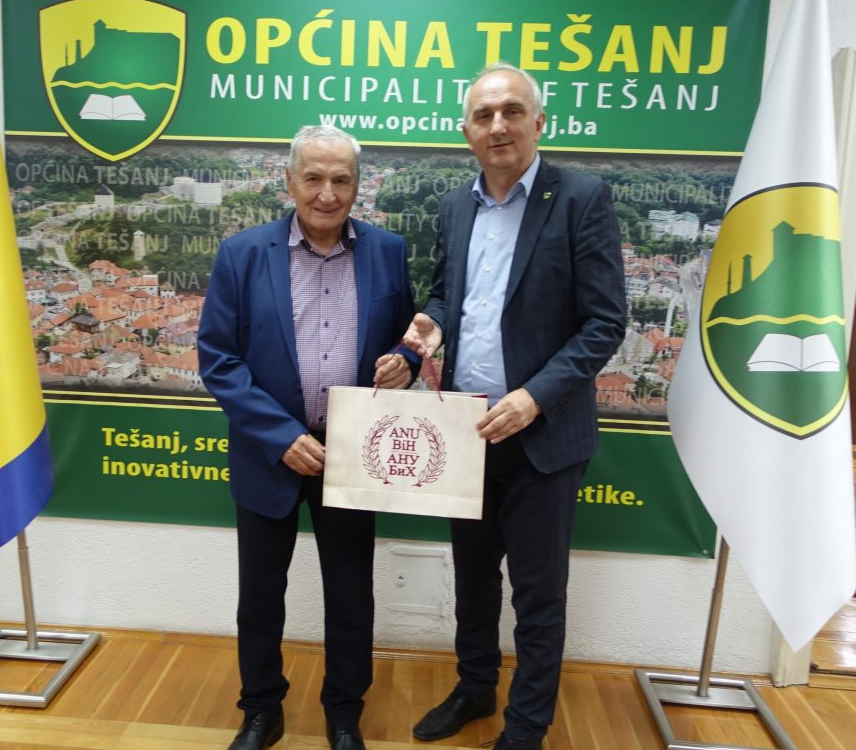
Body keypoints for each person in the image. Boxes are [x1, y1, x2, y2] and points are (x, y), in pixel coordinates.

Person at [403, 64, 626, 749]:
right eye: (483, 115)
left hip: (542, 436)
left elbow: (605, 322)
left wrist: (534, 397)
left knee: (538, 596)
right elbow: (447, 294)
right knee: (473, 582)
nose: (497, 125)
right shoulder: (454, 205)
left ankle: (526, 727)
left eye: (511, 111)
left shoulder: (581, 198)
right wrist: (430, 325)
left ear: (538, 122)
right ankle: (475, 688)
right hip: (466, 431)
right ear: (466, 130)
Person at [197, 125, 416, 750]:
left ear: (358, 185)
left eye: (341, 180)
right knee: (261, 596)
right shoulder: (242, 254)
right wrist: (281, 436)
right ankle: (261, 710)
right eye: (314, 178)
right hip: (271, 453)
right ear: (289, 180)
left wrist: (407, 359)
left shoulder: (388, 251)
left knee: (351, 593)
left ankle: (343, 712)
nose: (327, 194)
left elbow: (409, 334)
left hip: (353, 454)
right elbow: (219, 360)